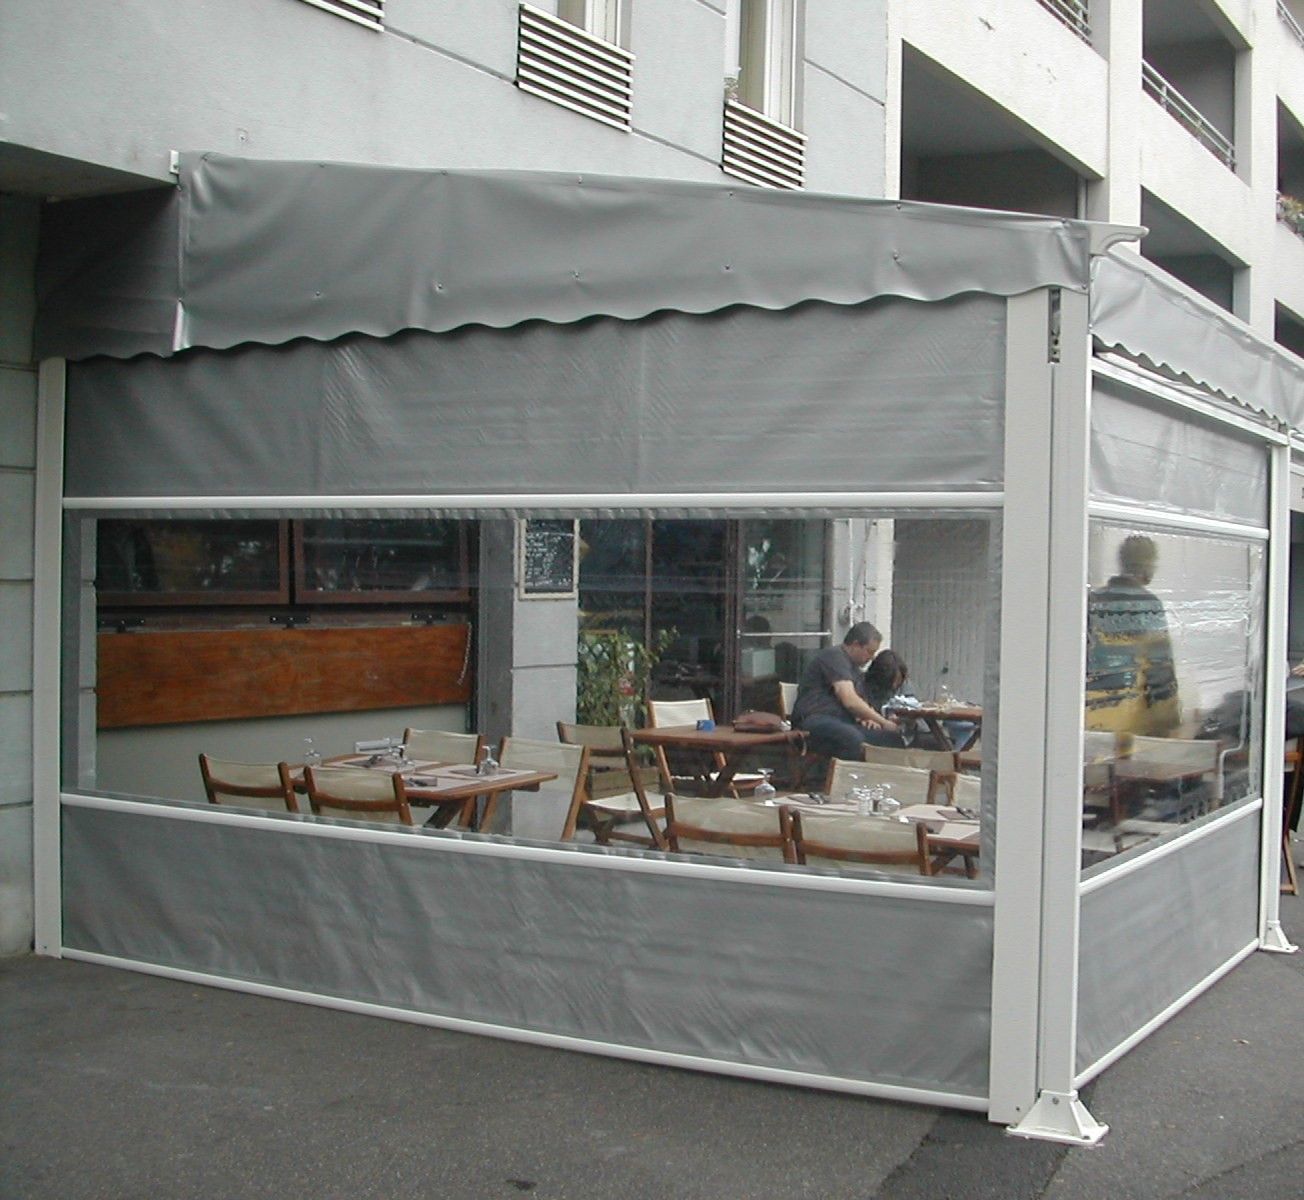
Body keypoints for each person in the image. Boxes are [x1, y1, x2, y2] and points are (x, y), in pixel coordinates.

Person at [1085, 534, 1179, 737]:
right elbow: (1160, 669)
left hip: (1088, 716)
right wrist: (1168, 721)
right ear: (1147, 565)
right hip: (1130, 720)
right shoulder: (1148, 605)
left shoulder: (1093, 600)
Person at [790, 623, 903, 758]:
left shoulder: (855, 671)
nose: (872, 657)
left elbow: (859, 704)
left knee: (890, 739)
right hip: (813, 720)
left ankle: (878, 772)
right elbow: (850, 700)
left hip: (841, 721)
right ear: (855, 644)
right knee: (852, 739)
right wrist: (884, 722)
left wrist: (866, 718)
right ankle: (841, 772)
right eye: (870, 651)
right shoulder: (834, 657)